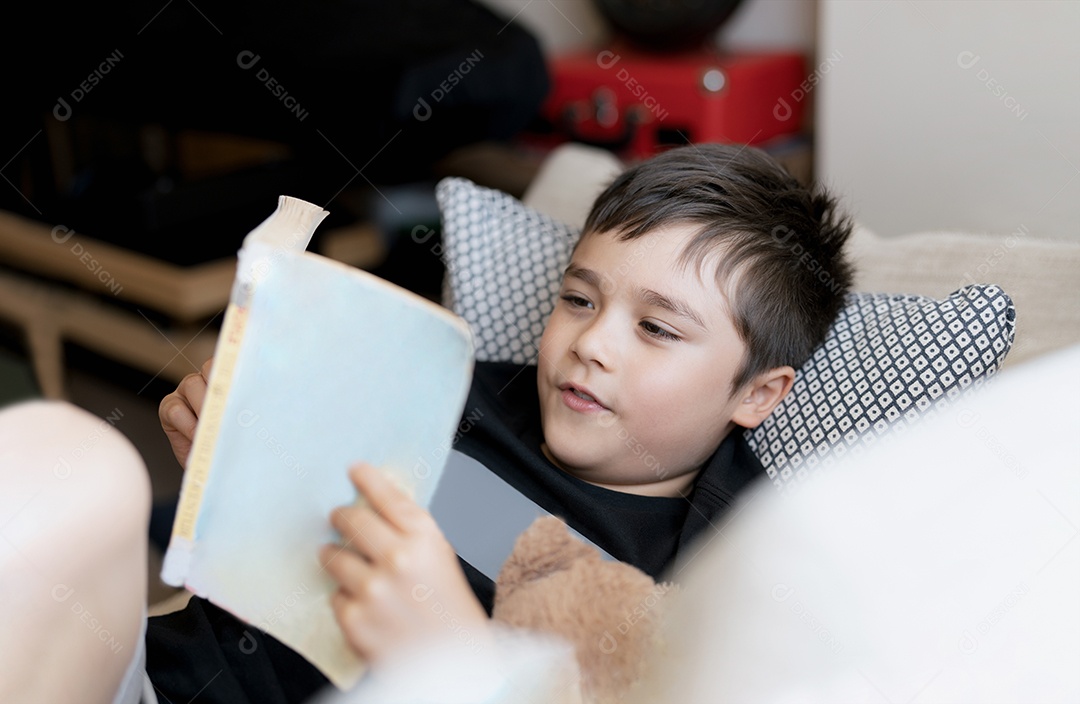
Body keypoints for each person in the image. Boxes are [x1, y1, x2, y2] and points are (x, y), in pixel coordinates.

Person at [148, 143, 855, 703]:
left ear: (759, 395)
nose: (591, 344)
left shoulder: (720, 562)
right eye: (579, 299)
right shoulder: (460, 393)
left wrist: (454, 660)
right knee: (88, 472)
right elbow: (294, 526)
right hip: (165, 667)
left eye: (656, 328)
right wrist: (236, 454)